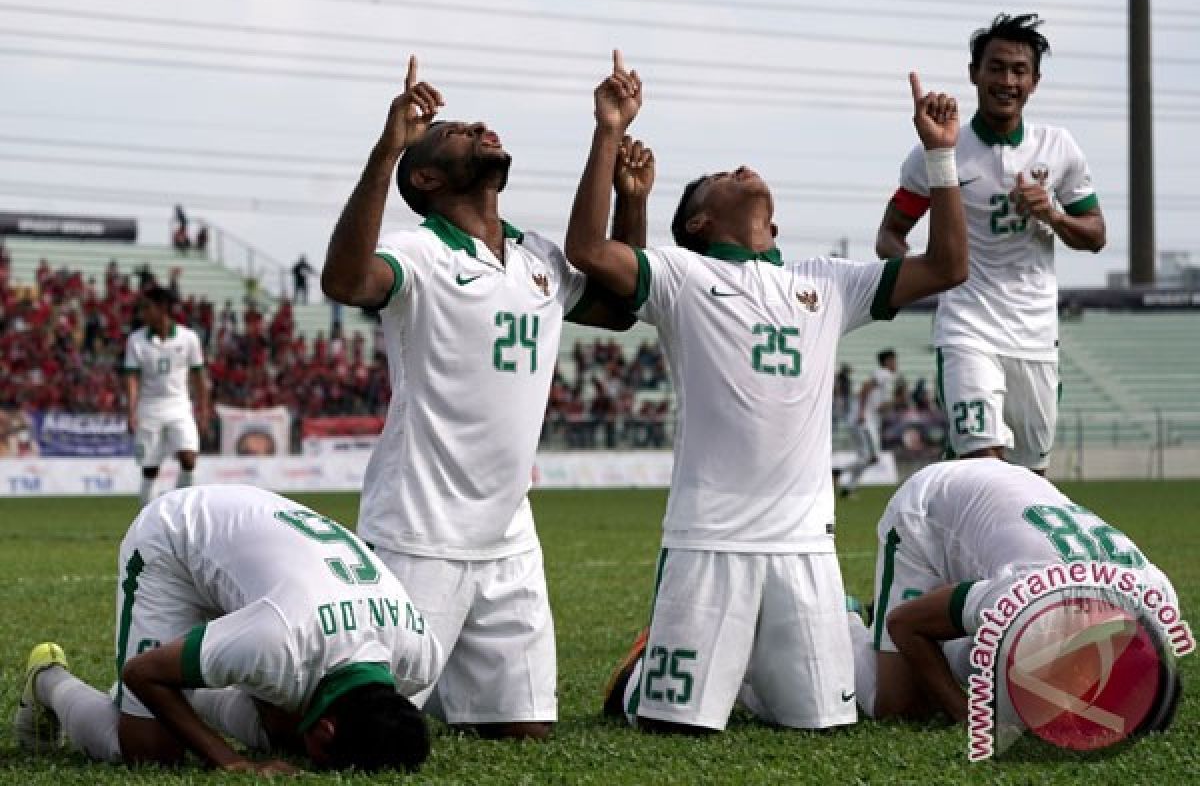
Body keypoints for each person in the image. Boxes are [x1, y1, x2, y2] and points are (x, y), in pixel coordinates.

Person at [571, 52, 967, 733]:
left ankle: (747, 665)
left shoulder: (828, 282)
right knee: (673, 729)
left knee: (823, 725)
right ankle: (646, 671)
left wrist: (941, 160)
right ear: (698, 222)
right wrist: (609, 130)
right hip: (709, 539)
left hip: (805, 546)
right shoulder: (681, 277)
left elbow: (949, 265)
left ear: (775, 229)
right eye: (723, 176)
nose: (742, 168)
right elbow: (587, 249)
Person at [320, 56, 637, 740]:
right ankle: (206, 697)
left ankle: (447, 681)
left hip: (509, 531)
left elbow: (618, 307)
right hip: (419, 527)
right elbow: (346, 280)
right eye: (460, 132)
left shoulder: (538, 258)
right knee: (353, 728)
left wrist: (616, 156)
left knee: (524, 732)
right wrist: (386, 150)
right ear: (426, 176)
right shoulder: (422, 253)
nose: (480, 129)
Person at [14, 485, 442, 773]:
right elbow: (141, 672)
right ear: (327, 730)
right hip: (175, 537)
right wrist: (231, 762)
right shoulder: (278, 641)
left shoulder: (422, 655)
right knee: (151, 748)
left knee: (287, 730)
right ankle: (48, 680)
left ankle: (183, 690)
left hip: (259, 555)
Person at [875, 14, 1106, 475]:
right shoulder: (939, 151)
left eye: (1019, 70)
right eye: (996, 68)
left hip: (1036, 337)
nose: (1007, 80)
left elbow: (1096, 233)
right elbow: (889, 236)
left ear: (1034, 82)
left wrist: (1053, 215)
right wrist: (938, 276)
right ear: (973, 73)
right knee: (983, 465)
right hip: (967, 329)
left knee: (1030, 480)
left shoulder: (1058, 148)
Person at [847, 458, 1180, 726]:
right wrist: (967, 714)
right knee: (899, 704)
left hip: (1012, 495)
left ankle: (935, 622)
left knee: (1004, 671)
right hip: (933, 501)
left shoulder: (1159, 598)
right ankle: (841, 616)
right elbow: (906, 624)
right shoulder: (1025, 597)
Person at [123, 286, 210, 506]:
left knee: (189, 459)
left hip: (179, 406)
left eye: (147, 308)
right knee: (150, 468)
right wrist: (131, 410)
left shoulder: (188, 338)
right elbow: (132, 378)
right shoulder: (136, 340)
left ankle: (179, 510)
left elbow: (199, 376)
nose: (143, 314)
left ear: (162, 308)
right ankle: (148, 522)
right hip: (149, 407)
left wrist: (204, 408)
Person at [839, 349, 898, 497]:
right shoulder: (883, 373)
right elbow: (865, 388)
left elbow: (878, 404)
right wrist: (861, 412)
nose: (896, 363)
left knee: (867, 458)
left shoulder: (885, 377)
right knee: (871, 457)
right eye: (894, 360)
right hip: (864, 421)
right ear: (887, 361)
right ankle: (839, 472)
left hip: (867, 420)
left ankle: (848, 487)